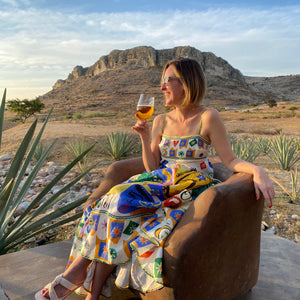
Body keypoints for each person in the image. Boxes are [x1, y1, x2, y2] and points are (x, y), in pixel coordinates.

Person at [35, 58, 274, 300]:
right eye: (162, 81)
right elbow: (152, 166)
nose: (162, 87)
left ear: (187, 83)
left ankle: (76, 275)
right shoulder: (160, 120)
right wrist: (145, 136)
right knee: (106, 207)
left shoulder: (208, 117)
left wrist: (258, 171)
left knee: (119, 200)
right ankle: (92, 294)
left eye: (168, 80)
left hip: (189, 187)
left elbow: (230, 160)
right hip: (159, 182)